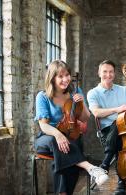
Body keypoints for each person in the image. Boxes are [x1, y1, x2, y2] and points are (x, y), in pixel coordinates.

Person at [34, 60, 108, 195]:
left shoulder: (76, 91)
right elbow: (43, 125)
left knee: (65, 154)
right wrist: (58, 135)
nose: (65, 79)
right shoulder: (43, 96)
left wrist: (83, 104)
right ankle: (91, 168)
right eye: (60, 76)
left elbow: (85, 118)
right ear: (52, 78)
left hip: (69, 140)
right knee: (58, 142)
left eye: (67, 75)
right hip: (46, 139)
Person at [87, 60, 126, 195]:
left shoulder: (123, 90)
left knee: (121, 129)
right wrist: (118, 109)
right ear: (99, 73)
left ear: (114, 74)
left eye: (111, 71)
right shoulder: (93, 93)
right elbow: (96, 113)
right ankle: (121, 184)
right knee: (118, 125)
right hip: (106, 132)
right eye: (105, 71)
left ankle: (104, 164)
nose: (108, 74)